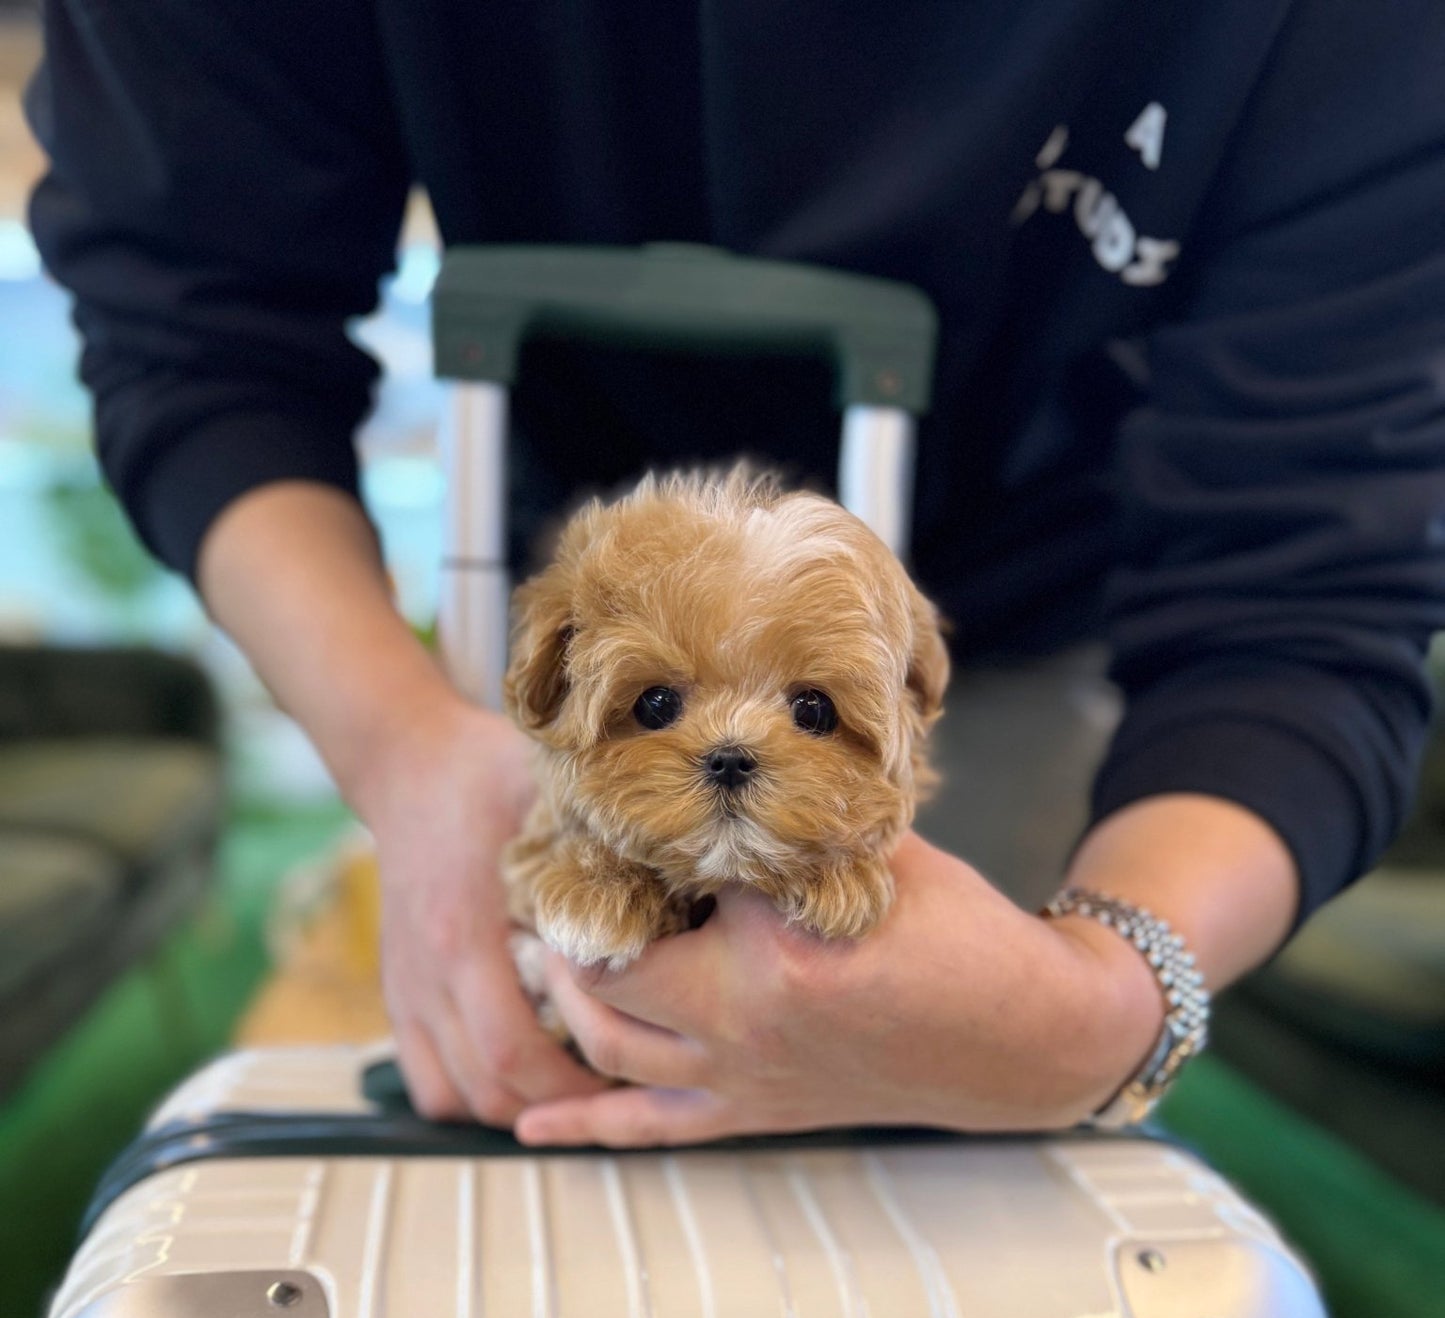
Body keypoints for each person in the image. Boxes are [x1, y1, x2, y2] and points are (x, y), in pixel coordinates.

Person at [24, 0, 1443, 1146]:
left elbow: (1308, 585)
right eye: (666, 716)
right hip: (551, 550)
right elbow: (192, 321)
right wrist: (400, 749)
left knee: (919, 1168)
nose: (730, 754)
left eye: (808, 717)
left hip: (1030, 590)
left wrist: (1103, 998)